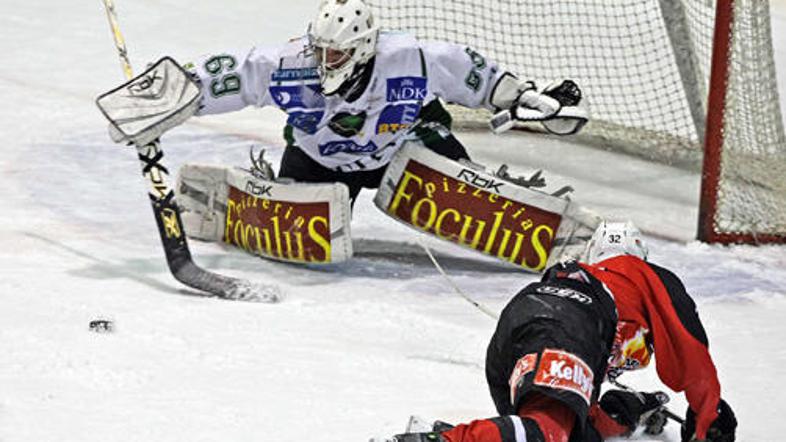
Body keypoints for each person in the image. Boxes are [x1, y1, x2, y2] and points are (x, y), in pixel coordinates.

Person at [183, 0, 584, 204]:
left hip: (406, 147)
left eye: (334, 54)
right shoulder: (290, 64)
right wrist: (180, 90)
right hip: (322, 160)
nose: (323, 61)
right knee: (308, 222)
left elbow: (469, 72)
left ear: (361, 48)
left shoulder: (410, 58)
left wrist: (523, 97)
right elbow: (238, 72)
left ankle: (486, 191)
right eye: (319, 49)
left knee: (461, 179)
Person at [382, 222, 737, 442]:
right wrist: (708, 415)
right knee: (548, 432)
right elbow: (692, 350)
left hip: (519, 326)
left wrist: (637, 409)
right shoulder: (644, 274)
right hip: (567, 325)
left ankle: (457, 435)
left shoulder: (586, 277)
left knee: (560, 431)